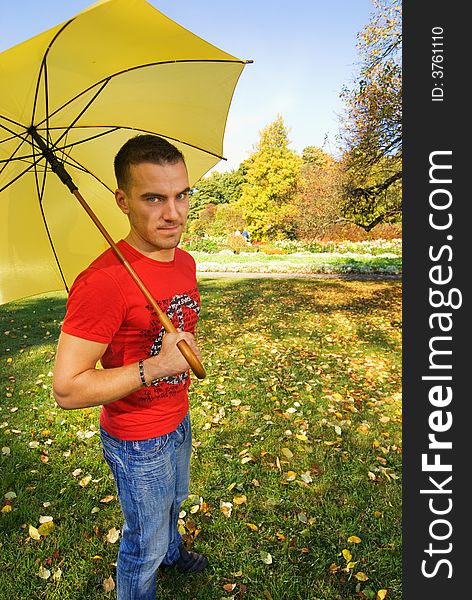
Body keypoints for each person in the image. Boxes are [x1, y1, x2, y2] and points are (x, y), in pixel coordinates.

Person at [53, 134, 208, 600]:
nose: (173, 213)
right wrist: (155, 367)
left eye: (181, 194)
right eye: (153, 198)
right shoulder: (102, 283)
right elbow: (67, 389)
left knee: (175, 503)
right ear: (122, 200)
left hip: (177, 418)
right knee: (144, 544)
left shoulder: (185, 261)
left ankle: (174, 551)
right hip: (138, 440)